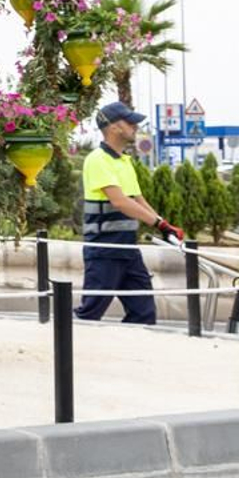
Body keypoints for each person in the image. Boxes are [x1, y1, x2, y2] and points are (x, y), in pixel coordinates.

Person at [76, 101, 183, 324]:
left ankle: (132, 356)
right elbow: (120, 201)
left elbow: (137, 199)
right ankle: (65, 350)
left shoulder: (125, 161)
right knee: (89, 314)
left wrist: (164, 224)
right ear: (114, 127)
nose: (136, 126)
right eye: (130, 122)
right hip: (105, 250)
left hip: (127, 249)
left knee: (144, 314)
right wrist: (158, 224)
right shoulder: (97, 159)